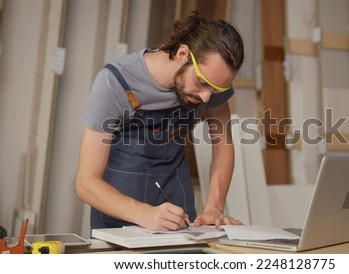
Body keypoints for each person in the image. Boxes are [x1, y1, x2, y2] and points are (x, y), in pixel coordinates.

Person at [75, 10, 244, 231]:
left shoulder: (210, 82)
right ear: (183, 54)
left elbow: (222, 145)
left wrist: (214, 206)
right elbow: (85, 183)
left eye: (217, 88)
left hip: (178, 217)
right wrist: (143, 214)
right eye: (202, 83)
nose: (206, 97)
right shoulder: (115, 83)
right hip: (120, 222)